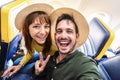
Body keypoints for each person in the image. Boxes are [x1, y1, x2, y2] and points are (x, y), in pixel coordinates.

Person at [34, 8, 102, 80]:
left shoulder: (85, 65)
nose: (63, 36)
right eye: (59, 31)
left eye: (69, 31)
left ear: (77, 36)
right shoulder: (51, 59)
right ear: (55, 36)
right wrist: (38, 73)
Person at [2, 3, 57, 79]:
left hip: (51, 60)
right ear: (27, 29)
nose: (43, 32)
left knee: (18, 76)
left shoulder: (55, 43)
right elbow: (30, 52)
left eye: (46, 26)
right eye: (36, 26)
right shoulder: (32, 40)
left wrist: (39, 72)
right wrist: (19, 66)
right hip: (42, 54)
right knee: (16, 62)